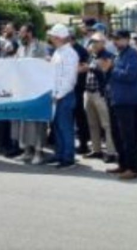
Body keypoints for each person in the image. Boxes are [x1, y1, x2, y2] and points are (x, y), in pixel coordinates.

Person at [104, 30, 137, 180]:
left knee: (128, 136)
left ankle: (133, 168)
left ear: (126, 39)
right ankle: (123, 164)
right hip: (115, 99)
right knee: (117, 134)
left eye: (118, 39)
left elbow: (130, 75)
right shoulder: (118, 54)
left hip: (126, 100)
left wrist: (111, 69)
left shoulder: (132, 54)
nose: (115, 42)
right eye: (114, 38)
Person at [11, 24, 48, 165]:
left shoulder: (41, 47)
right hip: (23, 90)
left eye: (22, 32)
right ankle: (27, 151)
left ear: (30, 33)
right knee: (25, 122)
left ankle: (39, 152)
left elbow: (44, 66)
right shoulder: (20, 48)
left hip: (37, 90)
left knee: (37, 121)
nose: (19, 35)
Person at [47, 24, 79, 169]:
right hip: (56, 96)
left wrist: (59, 95)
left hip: (64, 96)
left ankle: (68, 158)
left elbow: (70, 79)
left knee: (65, 127)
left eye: (52, 35)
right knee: (57, 127)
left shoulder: (70, 54)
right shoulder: (58, 52)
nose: (50, 38)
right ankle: (59, 154)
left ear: (58, 37)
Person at [83, 33, 117, 163]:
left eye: (96, 41)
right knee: (92, 124)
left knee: (106, 124)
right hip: (88, 92)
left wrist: (90, 66)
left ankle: (111, 152)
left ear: (103, 43)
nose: (93, 44)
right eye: (92, 41)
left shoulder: (108, 55)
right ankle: (96, 150)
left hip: (100, 93)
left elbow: (104, 70)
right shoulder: (91, 55)